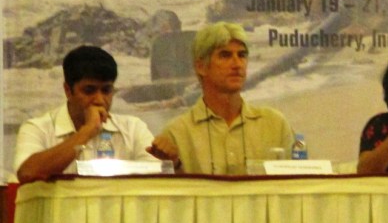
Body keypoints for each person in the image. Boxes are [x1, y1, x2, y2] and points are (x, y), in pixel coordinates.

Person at [149, 22, 295, 174]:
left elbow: (296, 185)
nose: (237, 64)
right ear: (201, 67)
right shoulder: (176, 133)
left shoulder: (275, 125)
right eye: (225, 55)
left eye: (242, 55)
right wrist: (176, 165)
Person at [14, 46, 161, 183]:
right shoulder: (37, 128)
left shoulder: (133, 128)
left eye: (106, 90)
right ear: (68, 91)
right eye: (89, 90)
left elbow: (157, 178)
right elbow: (28, 173)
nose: (99, 100)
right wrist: (87, 131)